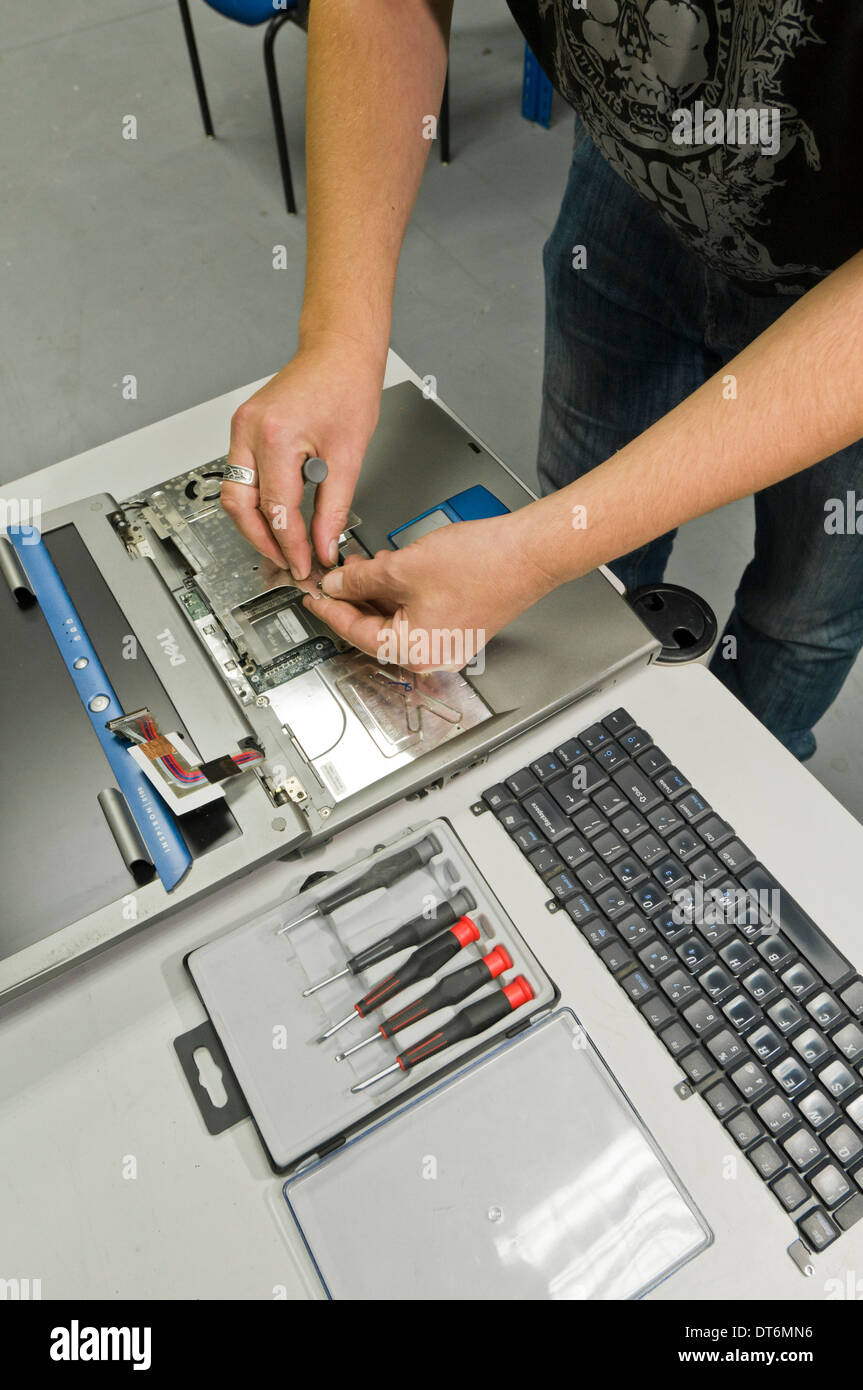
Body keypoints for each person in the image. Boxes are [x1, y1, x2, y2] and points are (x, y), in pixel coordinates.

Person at [220, 0, 863, 761]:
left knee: (802, 614)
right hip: (638, 184)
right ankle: (571, 759)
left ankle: (752, 779)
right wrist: (337, 337)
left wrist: (530, 555)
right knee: (580, 529)